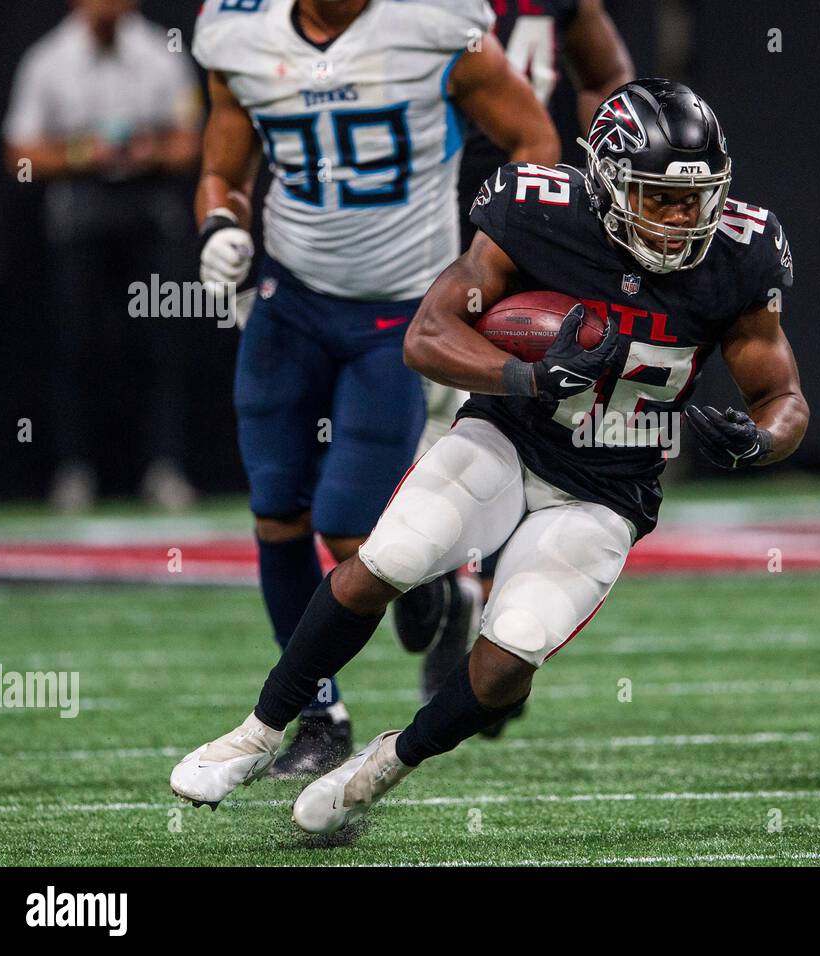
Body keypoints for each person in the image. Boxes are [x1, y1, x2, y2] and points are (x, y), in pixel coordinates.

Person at [170, 79, 808, 834]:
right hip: (509, 436)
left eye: (693, 199)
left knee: (509, 661)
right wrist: (528, 375)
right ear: (605, 179)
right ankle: (258, 730)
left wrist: (762, 439)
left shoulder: (741, 252)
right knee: (386, 562)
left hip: (609, 489)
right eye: (657, 196)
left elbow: (784, 393)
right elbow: (427, 336)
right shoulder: (540, 215)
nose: (680, 219)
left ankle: (385, 764)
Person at [191, 0, 558, 776]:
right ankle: (319, 717)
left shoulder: (433, 23)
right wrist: (221, 226)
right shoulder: (239, 30)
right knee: (276, 512)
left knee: (348, 527)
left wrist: (490, 266)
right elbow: (223, 172)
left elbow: (535, 142)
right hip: (289, 304)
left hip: (398, 312)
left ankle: (440, 594)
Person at [399, 0, 635, 737]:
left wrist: (603, 187)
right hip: (424, 218)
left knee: (516, 420)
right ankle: (441, 582)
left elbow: (610, 81)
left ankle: (493, 622)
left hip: (524, 223)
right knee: (420, 414)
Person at [3, 0, 202, 513]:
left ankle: (165, 468)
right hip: (79, 215)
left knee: (161, 343)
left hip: (150, 212)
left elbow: (189, 144)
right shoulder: (48, 59)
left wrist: (147, 153)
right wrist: (80, 154)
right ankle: (74, 470)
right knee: (75, 344)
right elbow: (19, 154)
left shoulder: (161, 52)